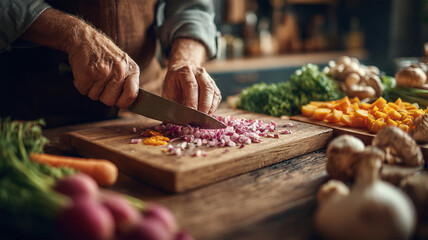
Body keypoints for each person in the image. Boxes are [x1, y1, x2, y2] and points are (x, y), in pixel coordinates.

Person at [0, 0, 221, 127]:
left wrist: (185, 60)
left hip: (140, 119)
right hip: (37, 118)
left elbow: (192, 6)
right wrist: (74, 34)